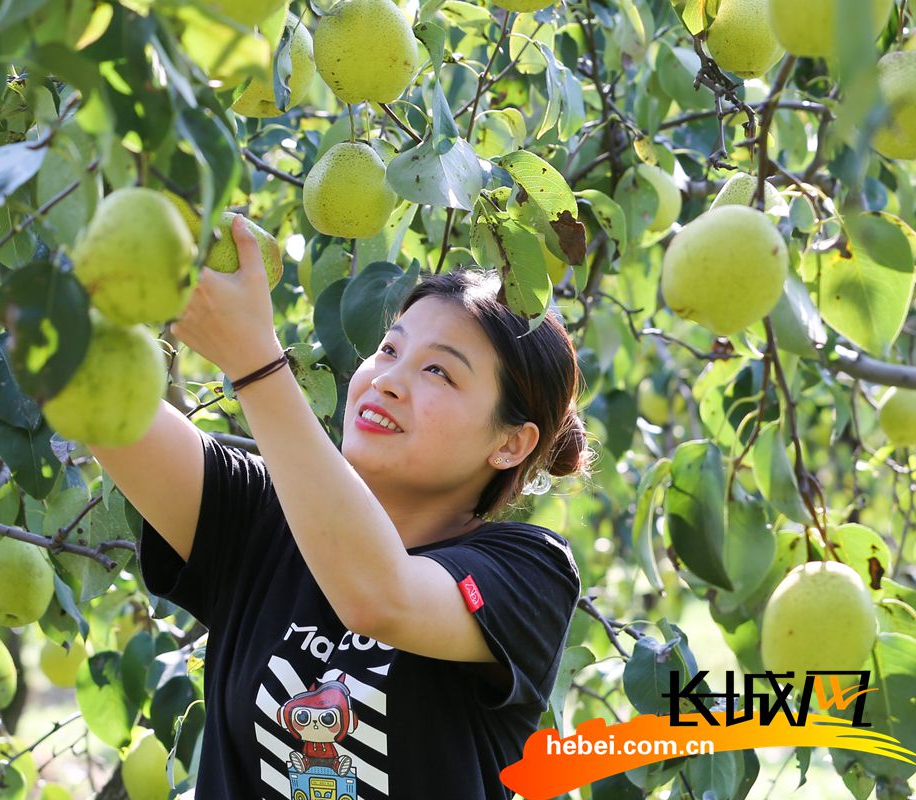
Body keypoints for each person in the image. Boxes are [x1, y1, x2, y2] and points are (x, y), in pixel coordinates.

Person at [90, 215, 593, 800]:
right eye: (388, 349)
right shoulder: (259, 516)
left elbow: (379, 597)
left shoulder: (529, 575)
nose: (388, 381)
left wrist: (255, 360)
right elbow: (97, 397)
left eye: (439, 371)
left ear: (510, 444)